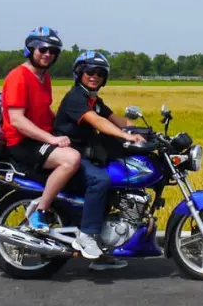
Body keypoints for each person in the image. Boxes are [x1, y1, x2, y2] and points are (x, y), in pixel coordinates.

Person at [54, 50, 146, 264]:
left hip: (87, 156)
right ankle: (86, 235)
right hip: (71, 156)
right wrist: (125, 137)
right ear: (79, 73)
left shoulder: (93, 99)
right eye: (89, 72)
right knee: (101, 180)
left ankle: (103, 251)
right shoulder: (76, 97)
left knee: (116, 181)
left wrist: (148, 134)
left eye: (99, 73)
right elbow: (97, 122)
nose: (94, 76)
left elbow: (118, 120)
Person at [1, 26, 81, 232]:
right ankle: (40, 211)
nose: (48, 54)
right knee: (70, 159)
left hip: (40, 138)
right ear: (30, 49)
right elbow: (17, 120)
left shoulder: (44, 77)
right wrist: (51, 139)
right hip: (23, 142)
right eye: (42, 49)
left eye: (53, 51)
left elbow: (44, 111)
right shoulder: (18, 77)